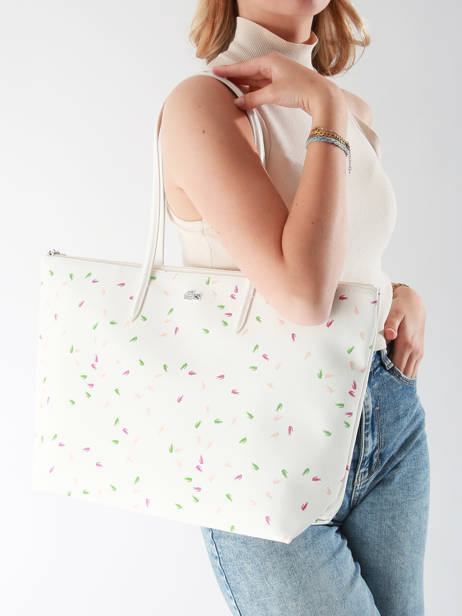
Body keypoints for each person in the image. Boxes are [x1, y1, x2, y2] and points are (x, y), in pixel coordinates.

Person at [160, 1, 430, 614]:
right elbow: (304, 295)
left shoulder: (350, 109)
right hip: (260, 448)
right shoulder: (203, 105)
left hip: (386, 413)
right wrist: (324, 109)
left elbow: (348, 257)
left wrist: (400, 294)